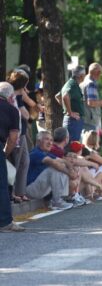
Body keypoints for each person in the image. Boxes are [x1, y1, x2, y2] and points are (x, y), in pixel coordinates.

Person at [25, 131, 75, 210]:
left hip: (40, 189)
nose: (50, 142)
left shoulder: (46, 153)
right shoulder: (35, 153)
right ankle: (57, 201)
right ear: (38, 141)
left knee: (63, 166)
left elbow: (65, 161)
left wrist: (71, 169)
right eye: (46, 139)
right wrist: (70, 174)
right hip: (30, 190)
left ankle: (62, 198)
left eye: (51, 140)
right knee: (54, 168)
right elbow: (53, 163)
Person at [0, 82, 24, 232]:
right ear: (10, 96)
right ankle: (5, 222)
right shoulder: (12, 110)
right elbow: (14, 137)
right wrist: (4, 153)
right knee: (2, 184)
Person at [7, 70, 31, 203]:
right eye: (25, 85)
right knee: (16, 162)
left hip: (21, 131)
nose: (27, 89)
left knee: (24, 161)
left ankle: (20, 192)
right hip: (15, 133)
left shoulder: (19, 95)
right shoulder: (12, 95)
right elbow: (26, 114)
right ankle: (13, 192)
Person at [80, 63, 102, 134]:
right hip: (90, 119)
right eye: (101, 74)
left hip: (84, 118)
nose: (100, 76)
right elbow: (91, 102)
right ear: (98, 73)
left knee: (85, 142)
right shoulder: (91, 84)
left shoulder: (83, 81)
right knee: (91, 143)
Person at [58, 65, 86, 142]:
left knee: (73, 145)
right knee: (73, 146)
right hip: (73, 121)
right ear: (81, 76)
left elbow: (57, 96)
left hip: (72, 121)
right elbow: (64, 96)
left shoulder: (71, 83)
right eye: (84, 75)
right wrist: (70, 112)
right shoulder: (72, 85)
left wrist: (66, 108)